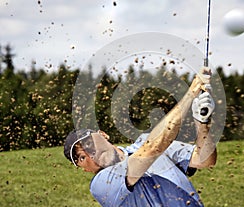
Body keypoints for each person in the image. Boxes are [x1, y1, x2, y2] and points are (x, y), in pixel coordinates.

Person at [64, 68, 217, 207]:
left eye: (89, 143)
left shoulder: (145, 141)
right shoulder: (100, 185)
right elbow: (153, 148)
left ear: (103, 134)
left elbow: (205, 160)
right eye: (81, 158)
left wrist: (202, 122)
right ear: (84, 170)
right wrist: (191, 94)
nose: (90, 154)